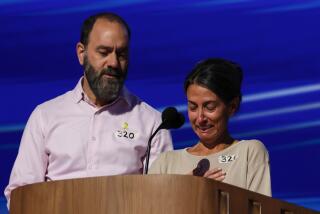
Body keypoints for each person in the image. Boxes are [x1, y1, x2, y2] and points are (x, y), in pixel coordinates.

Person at [4, 12, 173, 206]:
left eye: (122, 54)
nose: (114, 63)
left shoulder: (152, 123)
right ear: (81, 53)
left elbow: (162, 197)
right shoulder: (45, 116)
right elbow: (21, 194)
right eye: (104, 52)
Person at [149, 58, 271, 196]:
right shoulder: (165, 162)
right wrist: (184, 188)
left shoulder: (249, 153)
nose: (200, 118)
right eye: (193, 107)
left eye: (210, 107)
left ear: (232, 106)